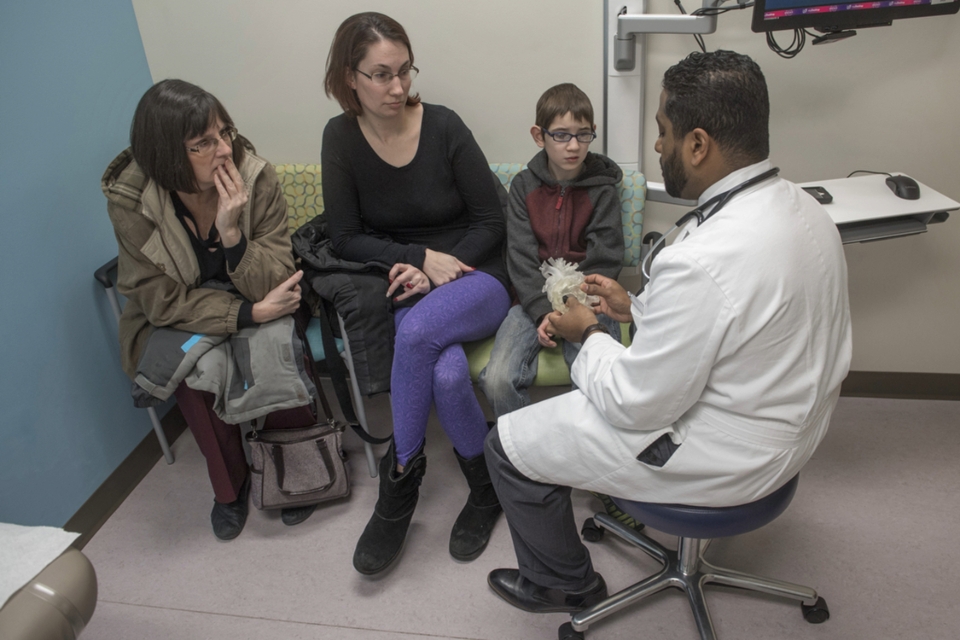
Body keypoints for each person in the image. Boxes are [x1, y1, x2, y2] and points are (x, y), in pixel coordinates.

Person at [484, 50, 852, 614]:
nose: (657, 146)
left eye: (663, 131)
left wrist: (587, 333)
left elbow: (634, 405)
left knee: (508, 448)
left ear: (698, 144)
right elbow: (734, 321)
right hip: (794, 432)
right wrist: (633, 308)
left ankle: (563, 583)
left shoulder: (704, 258)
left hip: (726, 453)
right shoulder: (805, 208)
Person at [321, 12, 510, 575]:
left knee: (423, 333)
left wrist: (441, 268)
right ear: (349, 77)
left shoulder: (445, 126)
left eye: (404, 71)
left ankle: (399, 484)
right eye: (380, 74)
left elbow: (491, 221)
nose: (397, 87)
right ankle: (486, 490)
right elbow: (345, 237)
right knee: (447, 374)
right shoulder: (340, 137)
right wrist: (416, 262)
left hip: (479, 276)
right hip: (408, 279)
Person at [102, 79, 318, 541]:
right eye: (203, 143)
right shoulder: (131, 200)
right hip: (183, 310)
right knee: (191, 370)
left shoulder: (255, 176)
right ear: (165, 156)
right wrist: (244, 315)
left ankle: (296, 470)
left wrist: (232, 234)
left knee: (277, 347)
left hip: (259, 288)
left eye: (226, 132)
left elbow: (279, 273)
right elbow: (158, 298)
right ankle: (230, 485)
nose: (224, 150)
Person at [478, 82, 623, 418]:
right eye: (561, 135)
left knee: (596, 379)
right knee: (498, 380)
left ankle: (582, 451)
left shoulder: (602, 189)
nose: (573, 145)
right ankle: (527, 452)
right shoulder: (523, 187)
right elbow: (520, 258)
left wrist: (574, 308)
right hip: (531, 300)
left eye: (583, 134)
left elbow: (606, 258)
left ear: (593, 133)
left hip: (590, 299)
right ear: (538, 135)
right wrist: (545, 313)